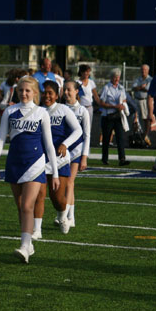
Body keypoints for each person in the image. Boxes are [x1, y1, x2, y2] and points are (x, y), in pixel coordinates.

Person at [0, 76, 59, 263]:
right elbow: (0, 139)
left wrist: (55, 172)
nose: (24, 94)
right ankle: (28, 243)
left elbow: (49, 144)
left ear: (35, 92)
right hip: (14, 162)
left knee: (28, 205)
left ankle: (24, 246)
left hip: (35, 163)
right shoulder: (9, 111)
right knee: (21, 206)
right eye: (21, 90)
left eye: (28, 90)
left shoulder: (41, 113)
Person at [33, 81, 81, 236]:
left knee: (57, 199)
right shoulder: (37, 111)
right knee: (39, 196)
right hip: (40, 160)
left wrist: (65, 144)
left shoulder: (63, 110)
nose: (47, 96)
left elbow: (78, 131)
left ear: (57, 94)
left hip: (59, 161)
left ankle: (62, 216)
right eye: (44, 93)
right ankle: (37, 230)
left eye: (50, 93)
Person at [62, 81, 90, 229]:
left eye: (69, 90)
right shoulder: (61, 109)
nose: (66, 92)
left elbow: (87, 135)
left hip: (76, 150)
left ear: (76, 91)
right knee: (65, 184)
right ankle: (70, 217)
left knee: (69, 182)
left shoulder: (82, 111)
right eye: (64, 90)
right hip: (63, 150)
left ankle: (65, 216)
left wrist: (84, 156)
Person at [94, 68, 130, 166]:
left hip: (118, 116)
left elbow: (125, 100)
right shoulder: (106, 88)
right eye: (115, 77)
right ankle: (104, 158)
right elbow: (102, 103)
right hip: (108, 116)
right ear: (111, 78)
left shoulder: (121, 88)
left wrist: (123, 105)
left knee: (120, 137)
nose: (117, 79)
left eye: (118, 77)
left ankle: (122, 158)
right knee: (106, 138)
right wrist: (114, 106)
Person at [131, 64, 153, 145]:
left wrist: (139, 88)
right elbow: (133, 88)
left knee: (146, 119)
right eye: (142, 70)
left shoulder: (150, 79)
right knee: (135, 119)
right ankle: (135, 135)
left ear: (148, 70)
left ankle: (145, 136)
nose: (143, 71)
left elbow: (148, 89)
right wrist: (141, 87)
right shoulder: (138, 79)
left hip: (145, 101)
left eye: (145, 70)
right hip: (137, 100)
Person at [76, 64, 97, 129]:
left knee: (88, 127)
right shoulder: (77, 82)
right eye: (84, 71)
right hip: (80, 107)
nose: (86, 73)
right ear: (81, 72)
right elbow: (76, 96)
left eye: (87, 71)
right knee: (79, 127)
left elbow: (96, 96)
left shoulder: (91, 82)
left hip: (89, 107)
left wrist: (102, 105)